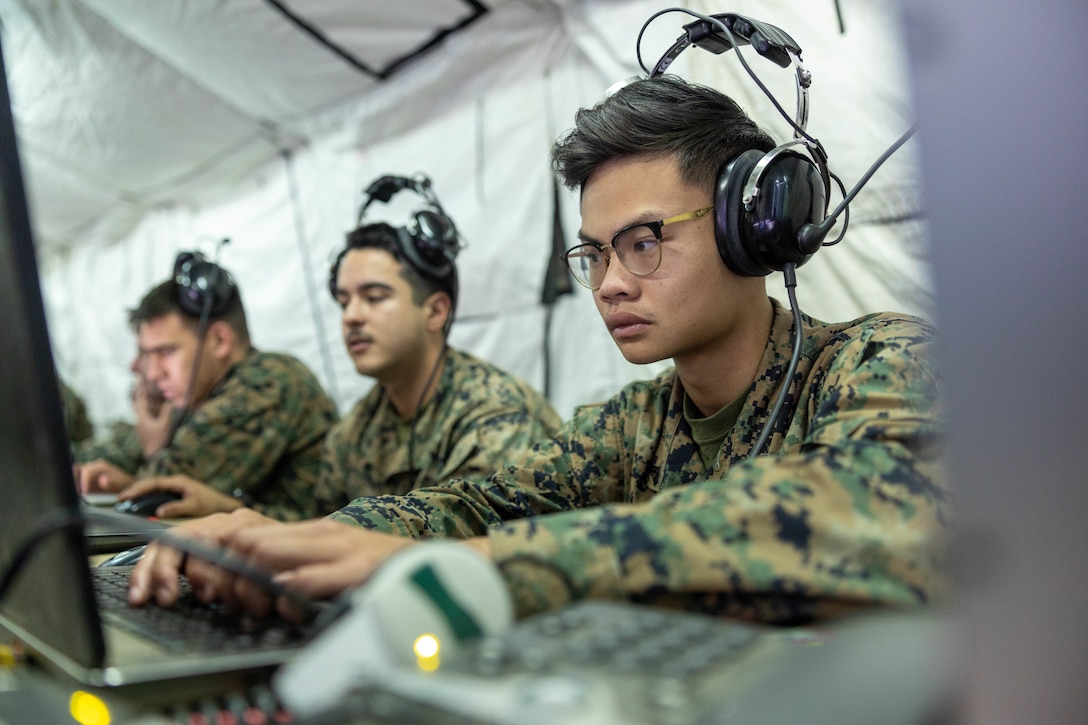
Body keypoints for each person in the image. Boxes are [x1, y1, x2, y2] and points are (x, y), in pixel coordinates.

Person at [130, 76, 949, 626]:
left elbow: (880, 508)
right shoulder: (633, 425)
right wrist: (322, 538)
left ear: (753, 228)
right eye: (594, 253)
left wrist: (492, 565)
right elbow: (480, 505)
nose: (610, 285)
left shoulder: (879, 361)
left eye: (644, 242)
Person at [119, 185, 561, 519]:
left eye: (374, 297)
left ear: (435, 311)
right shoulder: (354, 433)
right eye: (344, 300)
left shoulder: (494, 413)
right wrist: (233, 514)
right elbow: (322, 529)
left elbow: (460, 542)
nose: (351, 317)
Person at [76, 257, 339, 521]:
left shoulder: (266, 382)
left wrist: (152, 452)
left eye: (165, 352)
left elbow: (166, 491)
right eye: (148, 355)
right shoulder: (202, 396)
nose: (153, 373)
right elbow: (123, 457)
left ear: (219, 341)